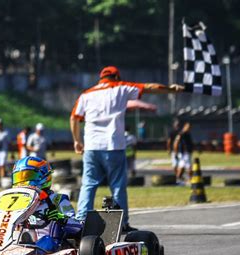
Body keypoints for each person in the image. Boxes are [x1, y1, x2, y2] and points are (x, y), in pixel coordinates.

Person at [70, 65, 183, 232]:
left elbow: (74, 118)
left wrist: (76, 141)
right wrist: (170, 89)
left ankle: (80, 221)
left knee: (88, 184)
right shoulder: (120, 87)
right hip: (113, 145)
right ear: (116, 77)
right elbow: (149, 87)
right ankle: (121, 224)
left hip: (92, 146)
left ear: (101, 78)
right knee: (117, 186)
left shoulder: (86, 94)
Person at [0, 156, 83, 252]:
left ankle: (27, 245)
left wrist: (60, 218)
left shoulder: (58, 200)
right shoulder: (15, 201)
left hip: (47, 244)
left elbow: (78, 227)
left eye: (29, 177)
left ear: (44, 177)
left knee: (46, 242)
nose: (24, 183)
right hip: (12, 242)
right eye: (20, 178)